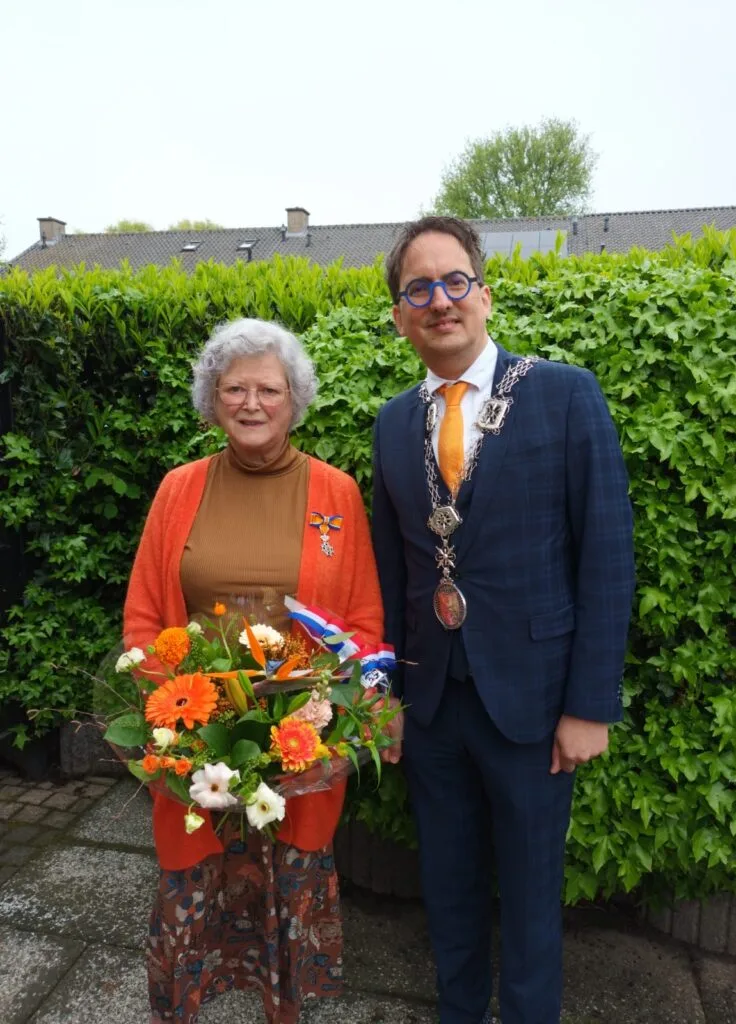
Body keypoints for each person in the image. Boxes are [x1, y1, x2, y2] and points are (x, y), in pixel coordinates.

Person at [372, 217, 635, 1024]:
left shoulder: (563, 393)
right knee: (447, 889)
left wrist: (590, 706)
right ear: (400, 316)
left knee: (529, 897)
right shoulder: (392, 422)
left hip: (534, 704)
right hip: (431, 705)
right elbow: (391, 573)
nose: (440, 300)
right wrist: (383, 695)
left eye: (455, 281)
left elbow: (606, 556)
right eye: (419, 289)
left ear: (484, 295)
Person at [124, 317, 400, 1024]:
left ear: (294, 398)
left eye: (269, 389)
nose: (252, 403)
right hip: (197, 746)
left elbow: (363, 622)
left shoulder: (336, 493)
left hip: (299, 744)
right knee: (193, 884)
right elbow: (145, 618)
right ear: (212, 399)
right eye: (234, 389)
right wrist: (177, 726)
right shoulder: (178, 489)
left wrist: (334, 717)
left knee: (289, 888)